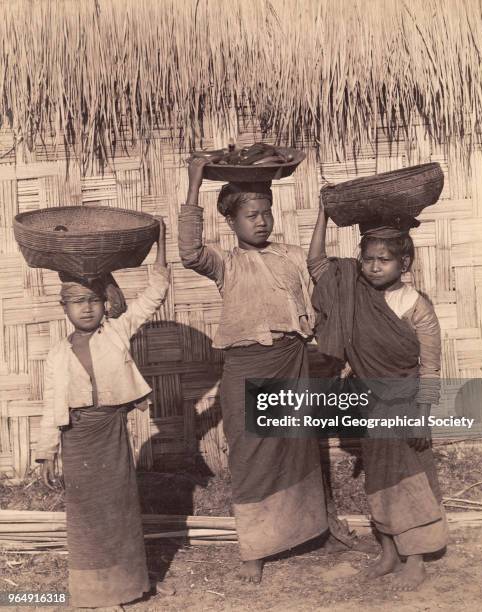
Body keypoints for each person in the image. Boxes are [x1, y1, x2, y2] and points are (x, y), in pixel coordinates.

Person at [178, 158, 328, 583]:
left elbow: (320, 274)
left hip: (292, 360)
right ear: (230, 221)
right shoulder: (226, 264)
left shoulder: (292, 256)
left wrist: (323, 214)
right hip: (247, 366)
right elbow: (189, 250)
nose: (262, 222)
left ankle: (306, 532)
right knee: (252, 454)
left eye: (267, 213)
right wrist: (194, 180)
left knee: (295, 447)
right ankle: (255, 550)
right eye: (251, 215)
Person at [307, 201, 448, 590]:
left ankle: (415, 557)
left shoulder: (417, 306)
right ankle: (388, 551)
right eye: (367, 259)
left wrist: (422, 415)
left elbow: (430, 368)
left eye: (383, 260)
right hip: (370, 402)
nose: (373, 267)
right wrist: (323, 213)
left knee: (411, 480)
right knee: (380, 479)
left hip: (405, 404)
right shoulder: (350, 287)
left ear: (404, 263)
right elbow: (317, 264)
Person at [36, 218, 169, 609]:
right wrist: (47, 451)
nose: (87, 308)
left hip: (111, 433)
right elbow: (50, 405)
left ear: (104, 303)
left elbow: (156, 291)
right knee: (87, 515)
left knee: (121, 510)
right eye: (78, 301)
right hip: (77, 439)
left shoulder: (117, 331)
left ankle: (132, 585)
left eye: (93, 300)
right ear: (65, 307)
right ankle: (96, 593)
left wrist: (162, 243)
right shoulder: (57, 355)